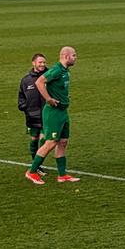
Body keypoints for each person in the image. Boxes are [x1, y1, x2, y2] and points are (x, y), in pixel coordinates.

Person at [25, 46, 81, 184]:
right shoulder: (56, 70)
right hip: (53, 112)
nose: (76, 58)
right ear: (66, 56)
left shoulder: (65, 71)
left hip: (63, 111)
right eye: (74, 55)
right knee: (51, 142)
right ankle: (31, 172)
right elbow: (39, 82)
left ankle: (62, 175)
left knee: (63, 142)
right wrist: (49, 99)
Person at [18, 53, 47, 163]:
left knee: (44, 139)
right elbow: (21, 96)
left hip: (47, 114)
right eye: (40, 62)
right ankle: (36, 165)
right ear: (33, 63)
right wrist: (24, 107)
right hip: (32, 115)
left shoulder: (49, 76)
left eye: (44, 62)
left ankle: (37, 165)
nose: (42, 64)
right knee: (34, 139)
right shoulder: (26, 80)